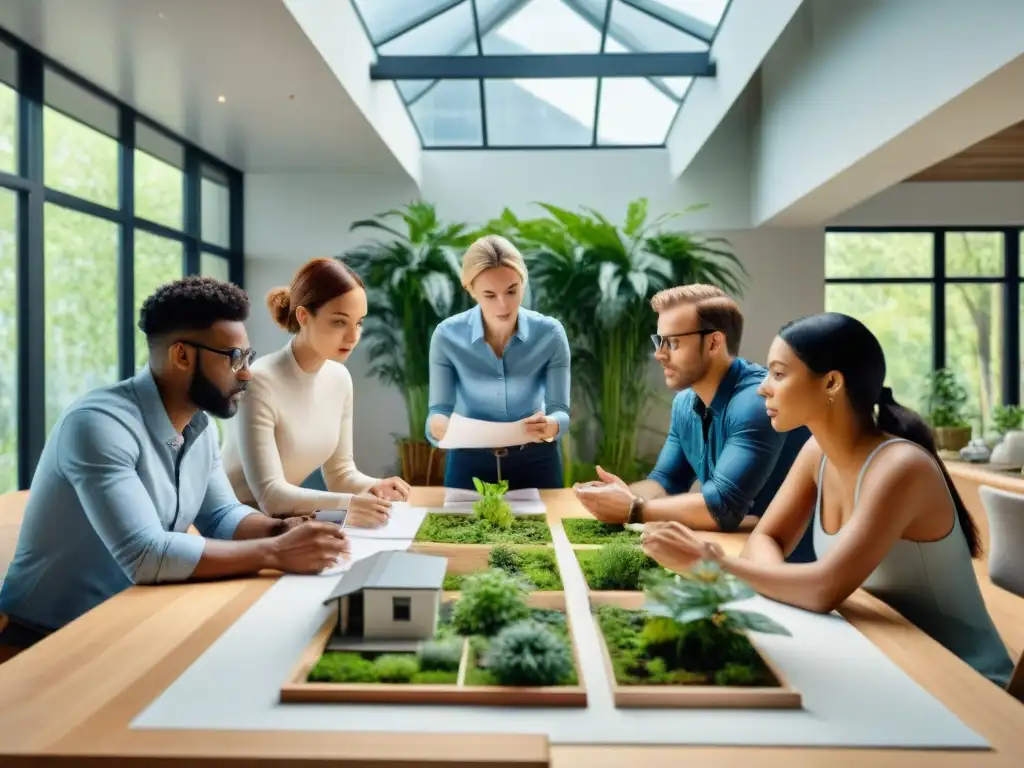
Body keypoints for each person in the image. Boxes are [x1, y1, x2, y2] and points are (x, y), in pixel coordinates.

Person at [641, 312, 1015, 688]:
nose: (763, 388)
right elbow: (765, 540)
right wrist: (778, 583)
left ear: (832, 383)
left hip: (963, 681)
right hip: (882, 658)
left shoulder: (901, 467)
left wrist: (713, 565)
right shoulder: (816, 453)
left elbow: (823, 589)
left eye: (779, 374)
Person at [0, 277, 350, 660]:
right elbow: (146, 554)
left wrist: (282, 527)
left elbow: (221, 514)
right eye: (234, 359)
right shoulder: (97, 425)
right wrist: (275, 551)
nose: (246, 374)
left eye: (248, 359)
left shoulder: (199, 426)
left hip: (131, 617)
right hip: (42, 639)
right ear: (182, 356)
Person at [574, 284, 816, 564]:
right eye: (659, 341)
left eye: (672, 343)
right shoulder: (685, 402)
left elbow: (722, 508)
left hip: (792, 566)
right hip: (736, 553)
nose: (659, 354)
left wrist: (634, 509)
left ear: (714, 342)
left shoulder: (756, 401)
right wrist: (619, 495)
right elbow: (666, 481)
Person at [220, 258, 409, 524]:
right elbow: (271, 495)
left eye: (359, 323)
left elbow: (340, 473)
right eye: (339, 322)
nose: (353, 336)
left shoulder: (339, 378)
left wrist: (374, 486)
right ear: (303, 316)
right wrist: (350, 505)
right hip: (232, 523)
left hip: (286, 522)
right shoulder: (259, 382)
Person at [426, 234, 571, 490]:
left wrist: (552, 425)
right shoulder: (447, 336)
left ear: (523, 284)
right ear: (470, 290)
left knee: (546, 530)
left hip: (537, 463)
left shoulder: (550, 334)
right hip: (467, 465)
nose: (503, 304)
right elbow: (439, 410)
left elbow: (560, 410)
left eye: (512, 291)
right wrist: (437, 426)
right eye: (489, 295)